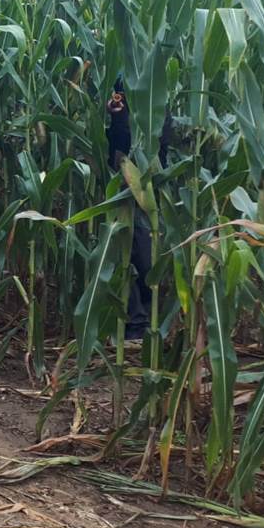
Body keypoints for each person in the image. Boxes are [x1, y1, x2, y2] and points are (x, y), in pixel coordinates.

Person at [105, 76, 173, 341]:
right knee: (126, 253)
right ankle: (135, 325)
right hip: (121, 185)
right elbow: (115, 146)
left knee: (146, 257)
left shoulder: (158, 96)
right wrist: (118, 119)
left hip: (151, 187)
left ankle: (148, 320)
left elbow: (162, 138)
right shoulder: (120, 81)